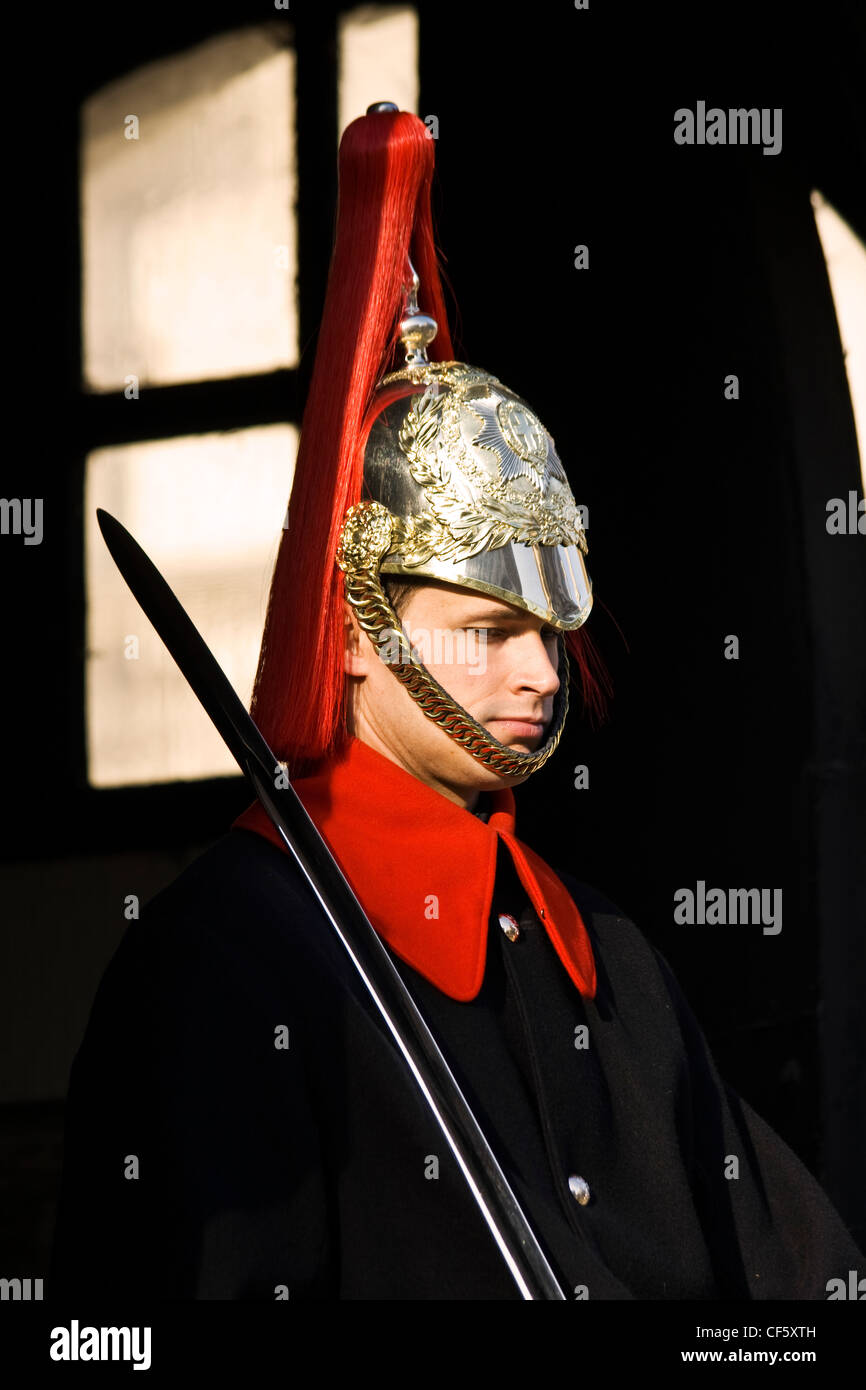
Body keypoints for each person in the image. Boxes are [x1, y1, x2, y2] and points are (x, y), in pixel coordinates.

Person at [49, 105, 863, 1301]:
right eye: (488, 631)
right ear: (360, 634)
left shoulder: (612, 961)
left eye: (547, 632)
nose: (540, 674)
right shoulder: (220, 964)